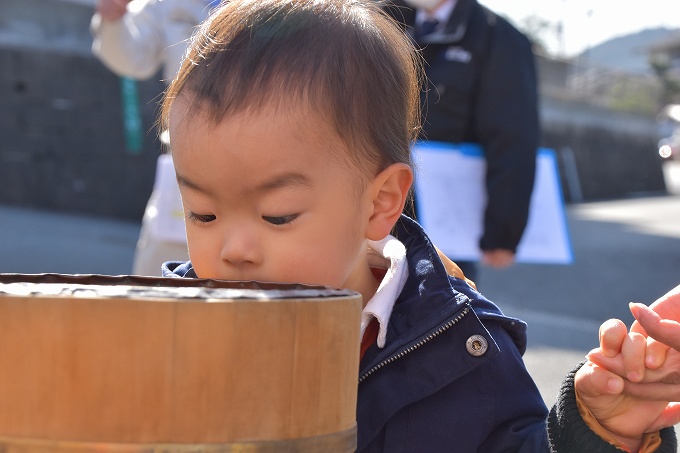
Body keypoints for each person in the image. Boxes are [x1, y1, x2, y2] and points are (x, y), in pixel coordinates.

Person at [157, 0, 677, 450]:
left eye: (278, 216)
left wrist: (600, 433)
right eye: (203, 213)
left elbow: (512, 139)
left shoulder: (461, 348)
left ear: (380, 202)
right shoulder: (160, 336)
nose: (234, 249)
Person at [383, 0, 540, 281]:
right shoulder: (380, 17)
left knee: (437, 307)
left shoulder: (497, 37)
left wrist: (503, 230)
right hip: (372, 204)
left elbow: (512, 137)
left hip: (444, 221)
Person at [90, 0, 218, 275]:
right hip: (188, 161)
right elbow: (132, 55)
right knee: (159, 277)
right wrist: (113, 17)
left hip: (267, 159)